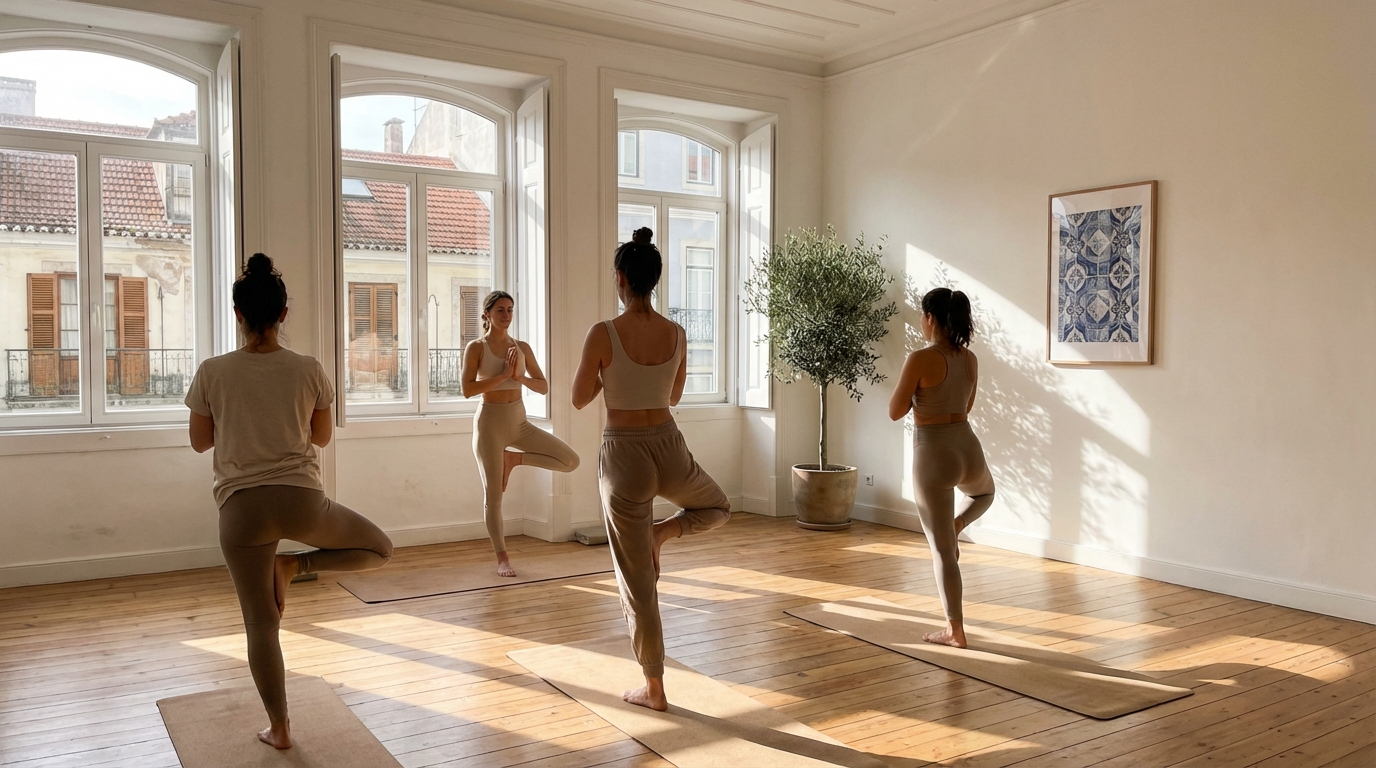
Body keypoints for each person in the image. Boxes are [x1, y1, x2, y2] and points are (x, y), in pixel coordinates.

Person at [186, 254, 393, 749]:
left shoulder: (213, 372)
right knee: (380, 548)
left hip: (241, 510)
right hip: (302, 499)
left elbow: (200, 442)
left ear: (237, 314)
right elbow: (320, 437)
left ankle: (279, 729)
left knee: (261, 624)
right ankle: (294, 566)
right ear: (283, 315)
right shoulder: (308, 368)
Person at [572, 227, 730, 711]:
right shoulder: (678, 333)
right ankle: (667, 532)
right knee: (719, 506)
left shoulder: (603, 333)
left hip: (623, 455)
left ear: (620, 278)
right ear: (655, 279)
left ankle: (654, 687)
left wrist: (609, 375)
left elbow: (580, 399)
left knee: (636, 578)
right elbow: (673, 396)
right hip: (669, 446)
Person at [887, 287, 995, 649]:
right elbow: (968, 405)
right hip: (967, 444)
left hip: (933, 451)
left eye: (922, 315)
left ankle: (955, 630)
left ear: (930, 318)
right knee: (985, 493)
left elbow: (895, 411)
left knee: (942, 551)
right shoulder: (970, 359)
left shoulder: (919, 358)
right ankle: (958, 522)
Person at [462, 290, 580, 577]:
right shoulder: (476, 348)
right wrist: (503, 376)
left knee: (570, 461)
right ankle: (502, 557)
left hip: (519, 423)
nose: (506, 315)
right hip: (489, 425)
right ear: (487, 314)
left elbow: (543, 386)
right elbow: (467, 390)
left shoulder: (522, 347)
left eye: (510, 310)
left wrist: (519, 378)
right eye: (500, 310)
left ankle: (514, 461)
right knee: (494, 497)